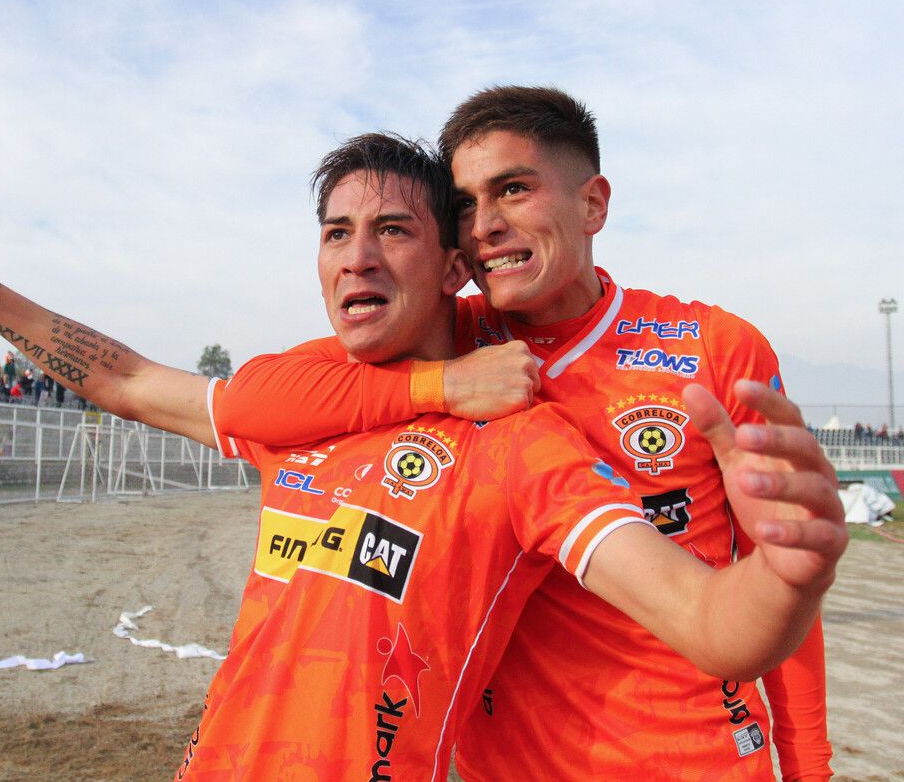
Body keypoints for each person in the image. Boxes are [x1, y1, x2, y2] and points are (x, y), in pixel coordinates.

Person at [0, 133, 844, 779]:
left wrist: (785, 571)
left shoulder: (519, 441)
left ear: (452, 266)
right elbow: (125, 381)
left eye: (391, 231)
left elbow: (709, 623)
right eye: (334, 232)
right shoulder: (304, 398)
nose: (355, 255)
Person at [215, 87, 836, 780]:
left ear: (593, 203)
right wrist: (441, 384)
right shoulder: (449, 335)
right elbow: (255, 397)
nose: (484, 225)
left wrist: (810, 764)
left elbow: (784, 569)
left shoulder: (715, 349)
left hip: (694, 761)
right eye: (465, 205)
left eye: (512, 190)